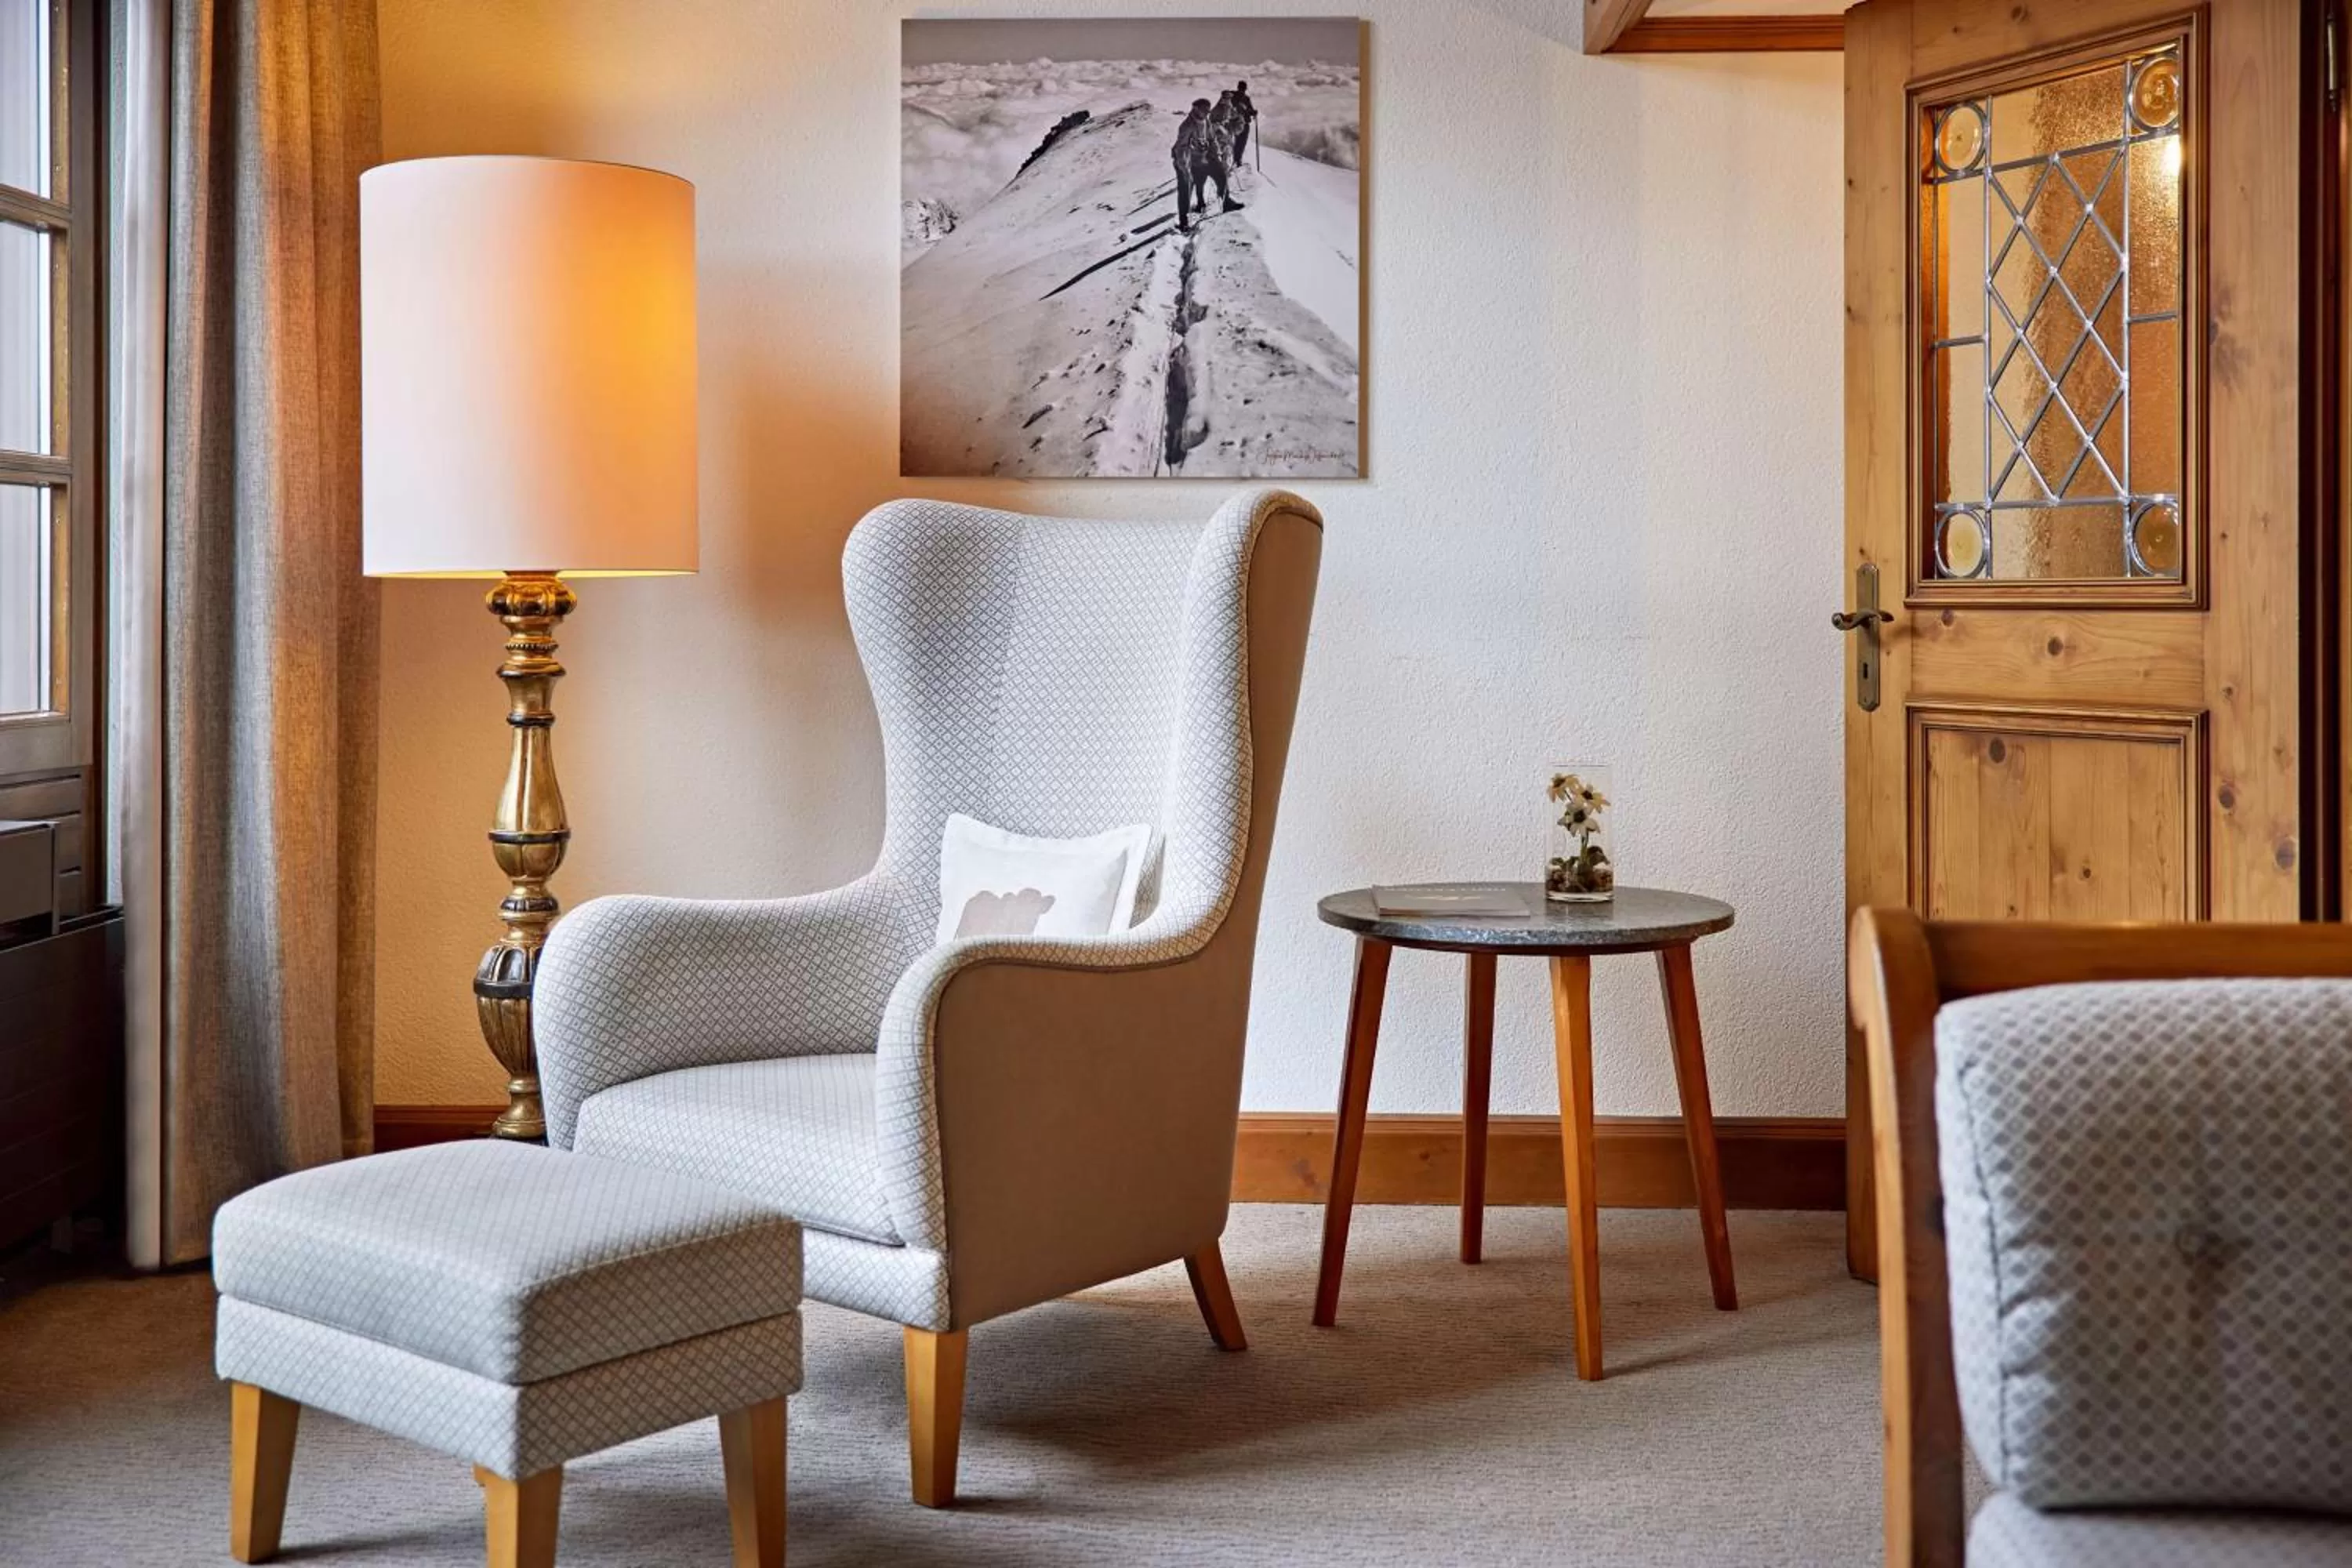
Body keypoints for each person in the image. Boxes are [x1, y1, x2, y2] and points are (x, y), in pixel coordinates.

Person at [1172, 97, 1240, 232]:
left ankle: (1226, 202)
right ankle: (1183, 222)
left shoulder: (1206, 121)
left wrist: (1216, 154)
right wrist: (1185, 168)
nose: (1207, 113)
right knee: (1186, 188)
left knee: (1221, 175)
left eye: (1207, 111)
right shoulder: (1187, 126)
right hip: (1186, 160)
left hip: (1203, 156)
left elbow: (1211, 138)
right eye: (1204, 110)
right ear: (1196, 109)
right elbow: (1181, 148)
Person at [1214, 80, 1258, 166]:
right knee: (1240, 143)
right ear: (1245, 89)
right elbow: (1249, 110)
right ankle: (1236, 160)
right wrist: (1253, 112)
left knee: (1230, 142)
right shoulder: (1245, 98)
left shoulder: (1233, 96)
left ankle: (1231, 160)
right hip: (1240, 123)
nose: (1242, 91)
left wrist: (1252, 112)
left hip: (1231, 123)